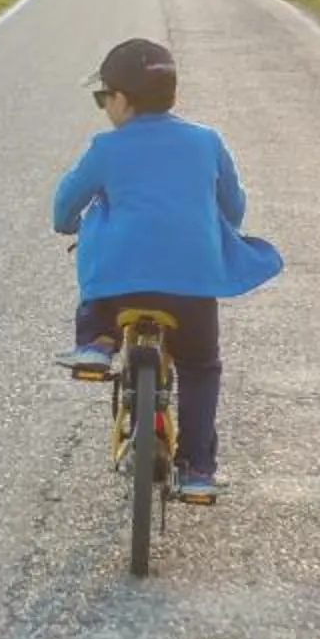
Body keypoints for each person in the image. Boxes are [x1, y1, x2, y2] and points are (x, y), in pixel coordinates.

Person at [52, 37, 283, 504]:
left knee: (102, 246)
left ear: (121, 100)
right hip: (191, 289)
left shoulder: (105, 147)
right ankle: (197, 468)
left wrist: (80, 220)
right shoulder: (206, 141)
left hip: (117, 289)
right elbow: (234, 208)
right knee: (200, 366)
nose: (103, 108)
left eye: (103, 97)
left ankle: (96, 343)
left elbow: (62, 212)